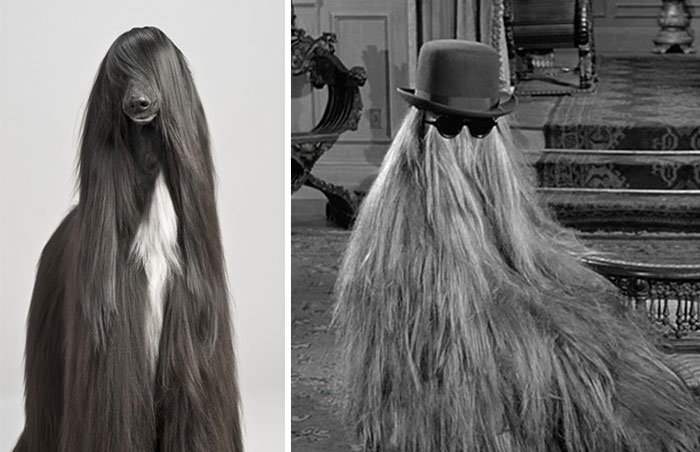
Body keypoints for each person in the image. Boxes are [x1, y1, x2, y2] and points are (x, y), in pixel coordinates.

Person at [333, 40, 700, 452]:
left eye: (481, 128)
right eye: (449, 126)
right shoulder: (395, 226)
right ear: (421, 129)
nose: (465, 140)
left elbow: (528, 256)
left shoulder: (500, 196)